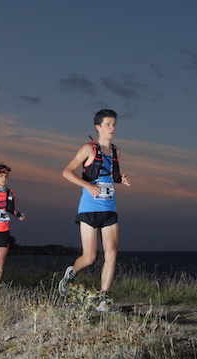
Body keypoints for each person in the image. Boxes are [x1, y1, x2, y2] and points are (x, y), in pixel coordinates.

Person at [58, 109, 131, 312]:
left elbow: (110, 175)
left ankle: (104, 300)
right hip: (89, 208)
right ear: (97, 127)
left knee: (111, 252)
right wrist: (87, 185)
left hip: (109, 207)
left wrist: (120, 179)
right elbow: (66, 171)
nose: (112, 128)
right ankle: (71, 273)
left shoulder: (117, 152)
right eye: (107, 124)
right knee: (90, 257)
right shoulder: (88, 149)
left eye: (114, 124)